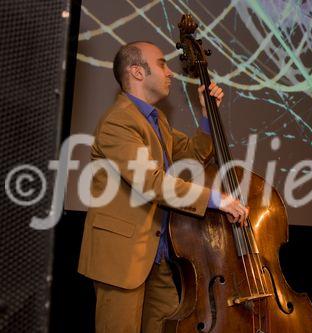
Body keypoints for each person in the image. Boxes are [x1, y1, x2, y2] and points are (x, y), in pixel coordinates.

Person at [78, 41, 249, 333]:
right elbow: (152, 182)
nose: (170, 72)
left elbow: (195, 152)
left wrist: (207, 115)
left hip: (155, 258)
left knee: (169, 325)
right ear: (137, 72)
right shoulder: (119, 122)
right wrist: (216, 199)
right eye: (162, 64)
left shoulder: (158, 122)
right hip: (122, 257)